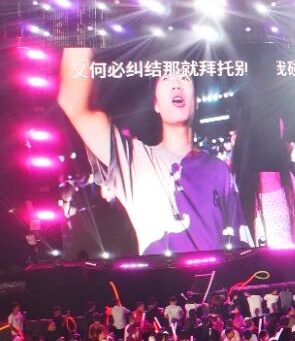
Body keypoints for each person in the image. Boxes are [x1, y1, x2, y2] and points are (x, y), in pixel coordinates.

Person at [57, 47, 252, 255]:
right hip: (161, 276)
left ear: (195, 102)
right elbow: (74, 104)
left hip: (217, 275)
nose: (176, 84)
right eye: (166, 78)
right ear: (156, 104)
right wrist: (81, 39)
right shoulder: (134, 160)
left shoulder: (218, 169)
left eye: (184, 78)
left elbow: (241, 240)